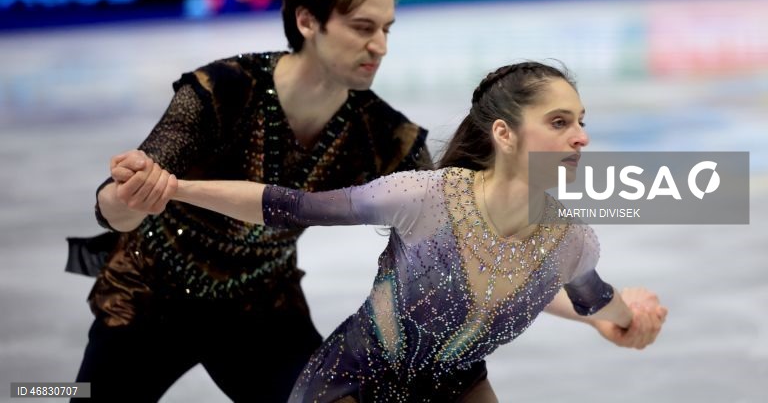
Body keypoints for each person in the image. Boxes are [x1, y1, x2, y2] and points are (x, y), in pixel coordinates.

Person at [128, 61, 668, 402]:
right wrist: (173, 188)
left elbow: (595, 299)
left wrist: (625, 319)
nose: (582, 139)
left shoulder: (568, 240)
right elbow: (291, 205)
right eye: (559, 123)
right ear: (504, 134)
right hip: (353, 383)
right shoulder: (425, 199)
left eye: (580, 121)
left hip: (456, 386)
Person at [69, 0, 433, 402]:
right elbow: (113, 206)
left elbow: (453, 215)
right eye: (363, 27)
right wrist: (130, 196)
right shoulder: (223, 89)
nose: (380, 46)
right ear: (307, 21)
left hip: (260, 307)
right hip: (153, 293)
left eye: (386, 29)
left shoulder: (383, 134)